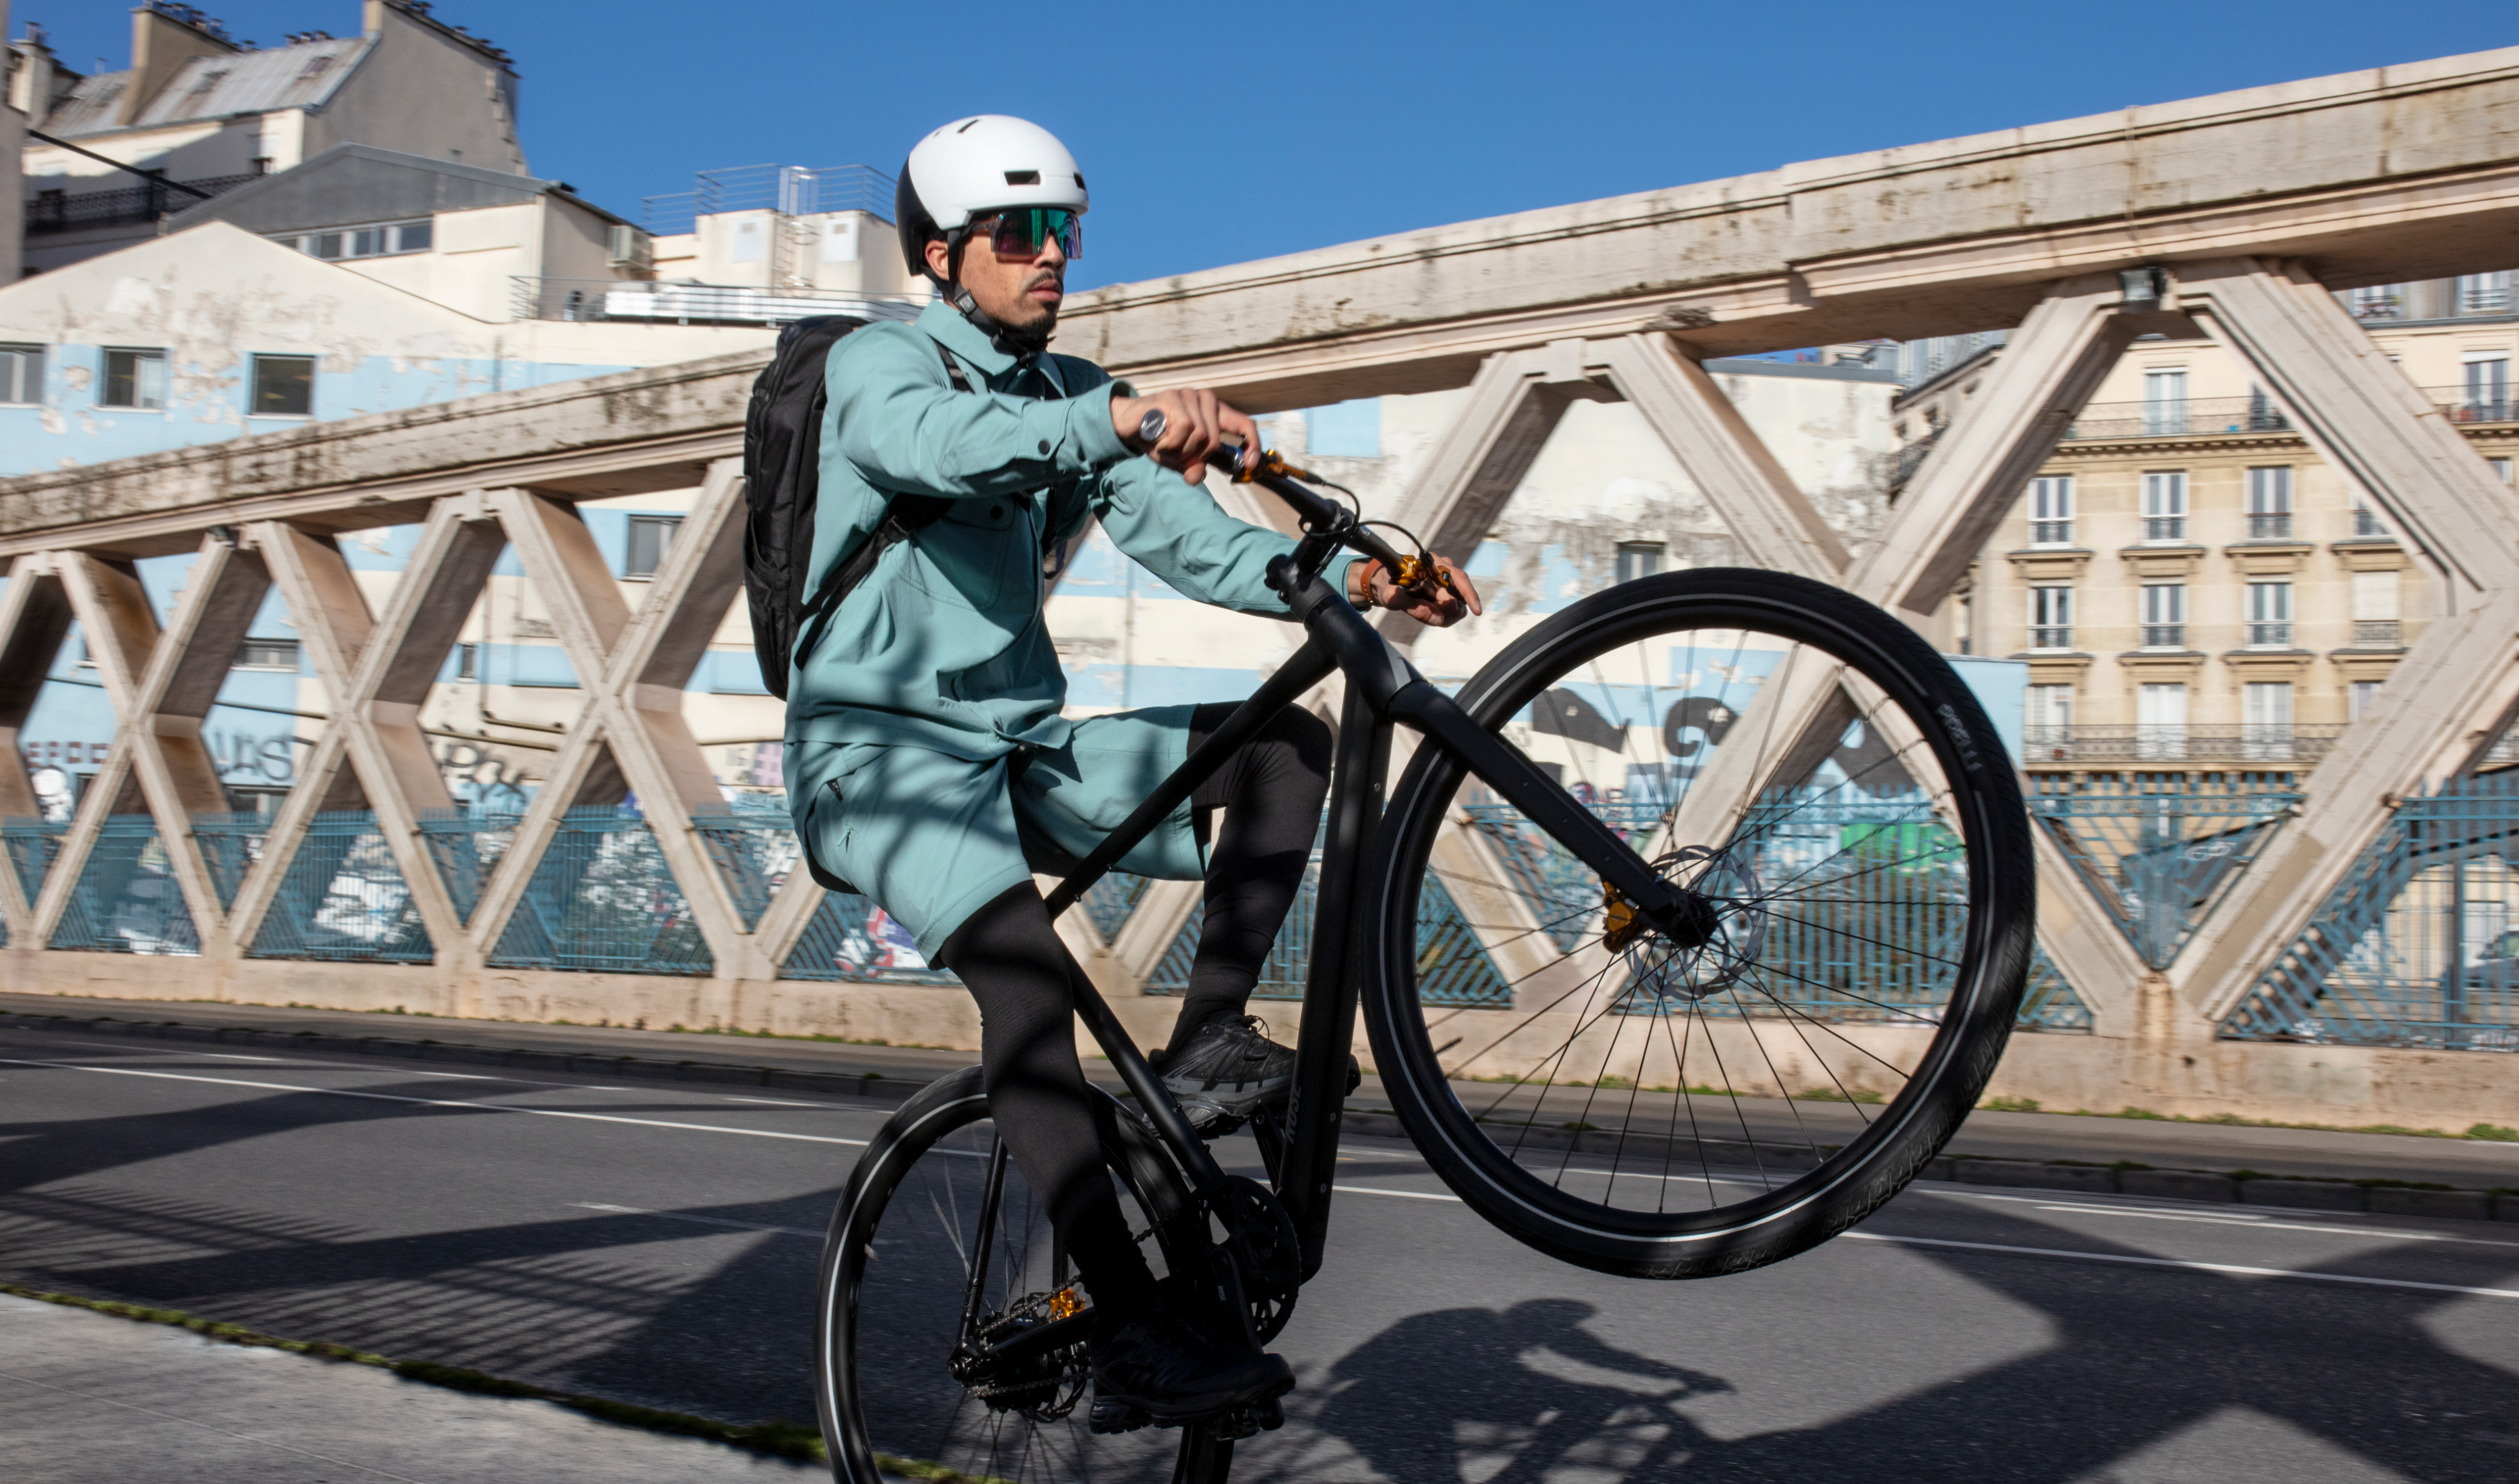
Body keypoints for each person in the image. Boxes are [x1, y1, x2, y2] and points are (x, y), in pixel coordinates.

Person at [785, 115, 1480, 1427]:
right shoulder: (881, 366)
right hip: (875, 762)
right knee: (1024, 980)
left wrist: (1364, 576)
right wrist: (1123, 415)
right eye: (1018, 234)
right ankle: (1133, 1328)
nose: (1052, 257)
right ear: (942, 254)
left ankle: (1208, 1036)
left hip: (1019, 757)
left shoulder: (1068, 389)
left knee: (1281, 745)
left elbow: (1199, 545)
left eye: (1066, 231)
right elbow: (940, 449)